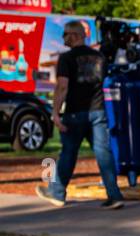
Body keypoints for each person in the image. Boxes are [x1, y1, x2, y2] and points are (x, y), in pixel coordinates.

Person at [35, 21, 125, 209]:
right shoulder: (99, 57)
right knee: (103, 152)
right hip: (98, 111)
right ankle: (114, 194)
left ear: (75, 35)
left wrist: (55, 113)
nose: (63, 38)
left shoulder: (66, 58)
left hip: (75, 113)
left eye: (65, 34)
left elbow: (62, 86)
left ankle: (57, 193)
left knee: (68, 152)